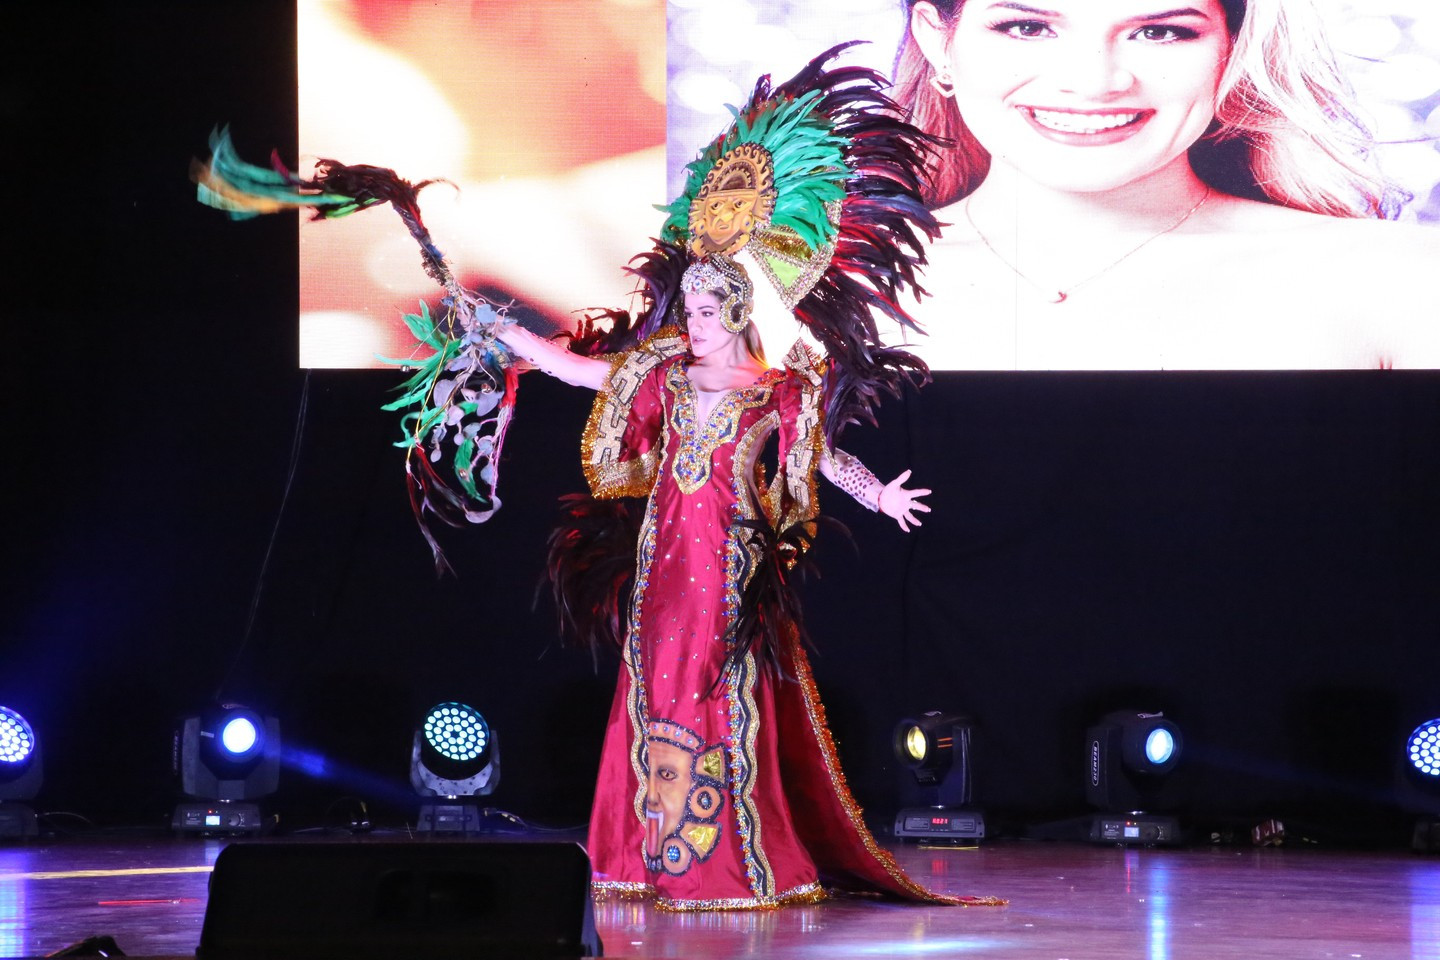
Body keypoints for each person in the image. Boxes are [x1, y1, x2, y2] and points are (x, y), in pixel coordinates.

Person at [497, 254, 957, 909]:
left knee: (714, 691)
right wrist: (512, 335)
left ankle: (722, 860)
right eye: (690, 313)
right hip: (666, 567)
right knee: (657, 693)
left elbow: (827, 457)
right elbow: (579, 371)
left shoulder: (777, 391)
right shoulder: (668, 380)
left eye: (708, 313)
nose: (696, 324)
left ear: (739, 314)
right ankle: (647, 856)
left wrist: (881, 496)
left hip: (729, 566)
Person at [892, 0, 1440, 370]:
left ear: (1233, 48)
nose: (1093, 82)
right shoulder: (823, 283)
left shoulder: (1402, 280)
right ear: (939, 42)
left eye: (1160, 31)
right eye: (1027, 27)